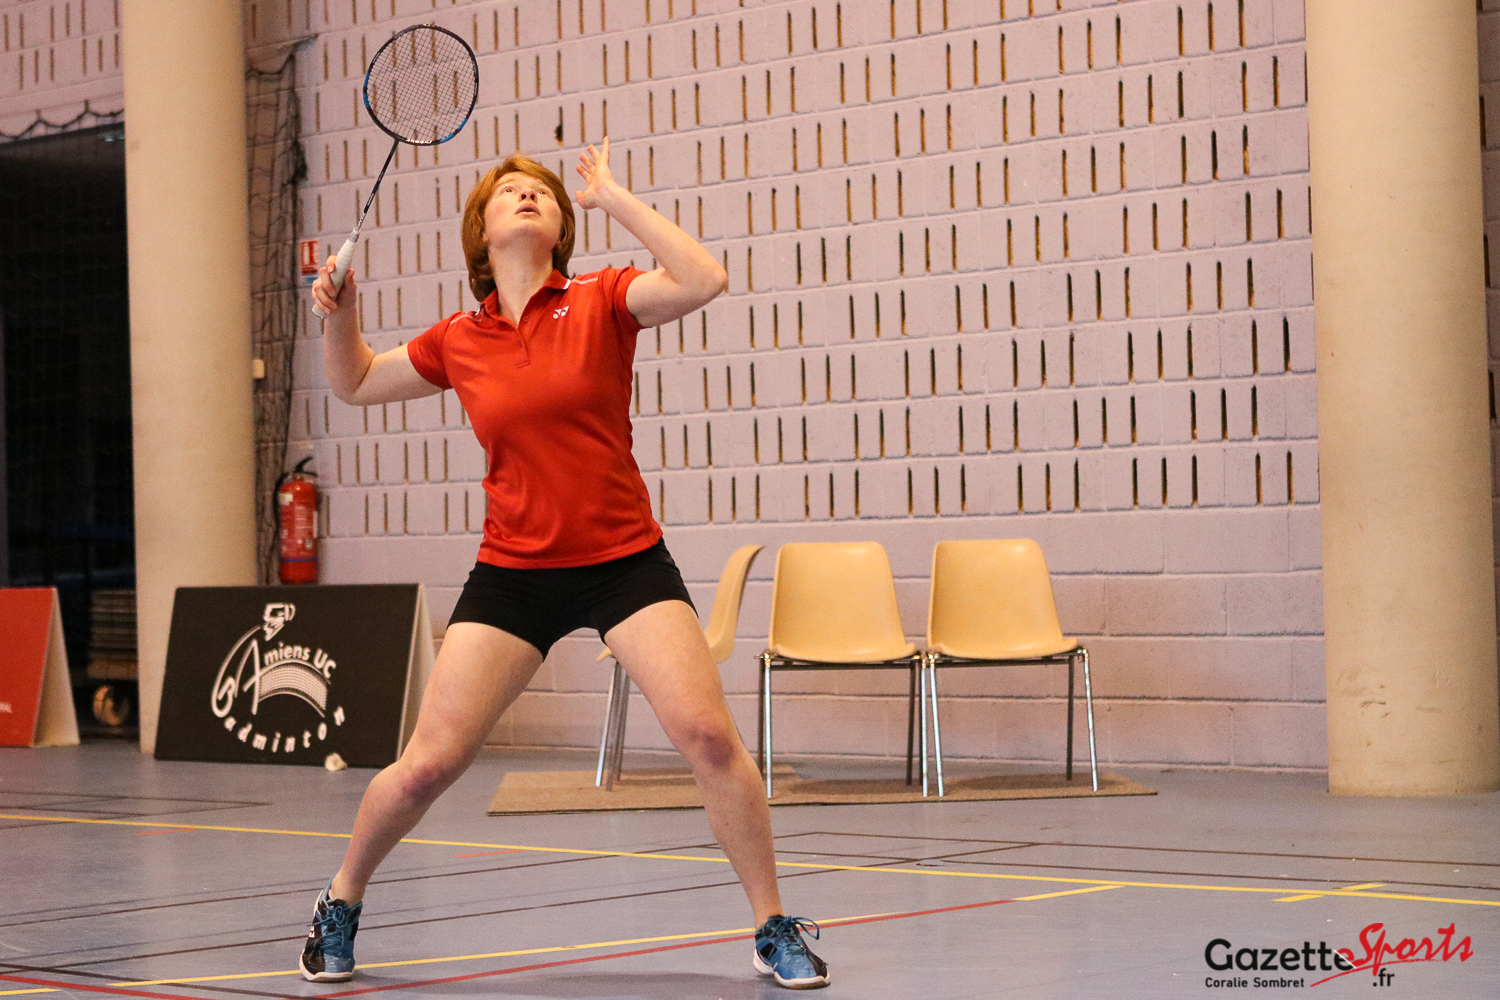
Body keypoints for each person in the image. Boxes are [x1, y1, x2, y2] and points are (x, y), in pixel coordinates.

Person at [299, 140, 829, 990]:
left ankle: (772, 925)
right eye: (508, 192)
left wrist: (612, 195)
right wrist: (341, 312)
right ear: (482, 233)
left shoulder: (602, 298)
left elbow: (704, 278)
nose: (527, 196)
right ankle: (340, 899)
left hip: (625, 561)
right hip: (513, 573)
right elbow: (356, 382)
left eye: (541, 192)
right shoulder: (460, 338)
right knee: (428, 764)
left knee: (707, 737)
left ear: (561, 228)